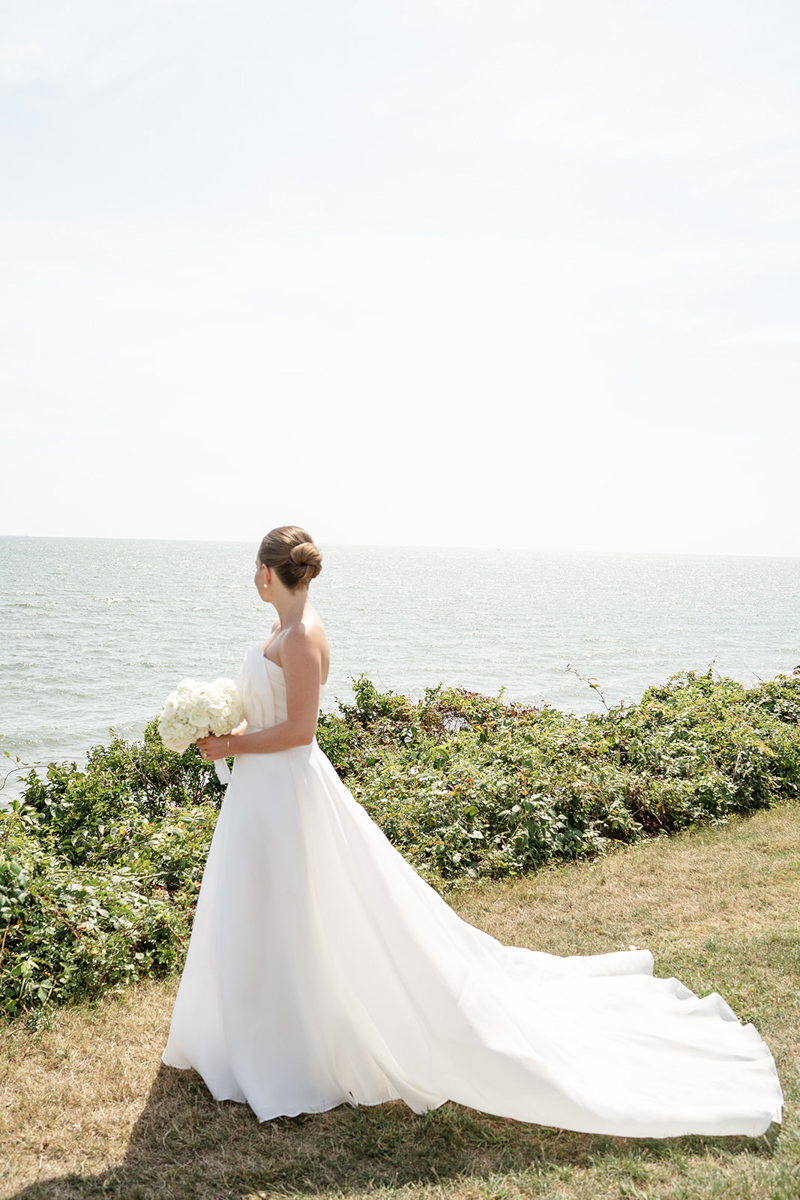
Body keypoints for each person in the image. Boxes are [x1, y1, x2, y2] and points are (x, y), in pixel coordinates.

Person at [162, 525, 783, 1136]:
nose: (252, 577)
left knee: (295, 911)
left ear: (270, 572)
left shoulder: (300, 637)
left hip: (284, 791)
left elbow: (301, 731)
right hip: (263, 792)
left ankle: (291, 1047)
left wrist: (231, 742)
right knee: (264, 909)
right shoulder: (285, 628)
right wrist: (230, 722)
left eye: (255, 567)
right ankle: (255, 1032)